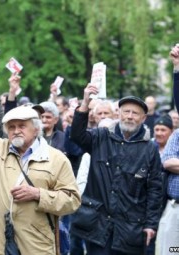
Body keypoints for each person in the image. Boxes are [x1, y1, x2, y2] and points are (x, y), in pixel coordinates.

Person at [0, 67, 81, 254]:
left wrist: (38, 194)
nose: (16, 130)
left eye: (22, 125)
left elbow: (72, 200)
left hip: (36, 245)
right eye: (11, 127)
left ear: (36, 129)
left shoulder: (56, 158)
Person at [70, 83, 163, 255]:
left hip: (130, 228)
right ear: (118, 114)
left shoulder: (150, 149)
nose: (129, 116)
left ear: (143, 118)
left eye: (135, 113)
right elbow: (76, 135)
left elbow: (155, 190)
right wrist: (84, 103)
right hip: (97, 225)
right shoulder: (101, 136)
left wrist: (151, 224)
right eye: (126, 111)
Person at [155, 44, 179, 255]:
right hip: (175, 209)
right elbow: (169, 162)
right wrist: (178, 68)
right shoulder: (178, 135)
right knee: (172, 251)